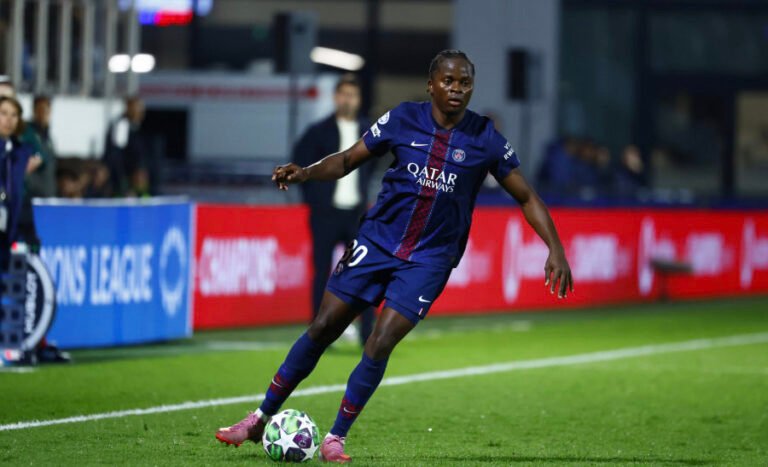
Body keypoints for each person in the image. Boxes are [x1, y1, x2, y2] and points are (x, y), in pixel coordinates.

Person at [215, 50, 574, 463]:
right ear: (431, 84)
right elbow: (347, 160)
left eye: (465, 83)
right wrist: (307, 172)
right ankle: (259, 418)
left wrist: (555, 247)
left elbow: (526, 196)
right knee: (323, 327)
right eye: (449, 81)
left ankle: (336, 438)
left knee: (380, 341)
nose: (457, 89)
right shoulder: (403, 118)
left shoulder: (485, 137)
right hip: (377, 242)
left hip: (430, 259)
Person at [292, 74, 375, 346]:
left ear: (359, 99)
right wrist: (315, 199)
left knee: (364, 273)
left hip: (355, 215)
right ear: (336, 97)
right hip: (325, 215)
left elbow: (373, 165)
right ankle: (316, 333)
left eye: (353, 95)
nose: (348, 100)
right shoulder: (318, 131)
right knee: (322, 272)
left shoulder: (368, 132)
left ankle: (368, 334)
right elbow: (301, 165)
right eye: (344, 94)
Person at [103, 96, 155, 197]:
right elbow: (116, 157)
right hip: (125, 183)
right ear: (128, 108)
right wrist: (123, 184)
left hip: (136, 181)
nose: (141, 112)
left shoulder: (136, 126)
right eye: (137, 108)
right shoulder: (121, 125)